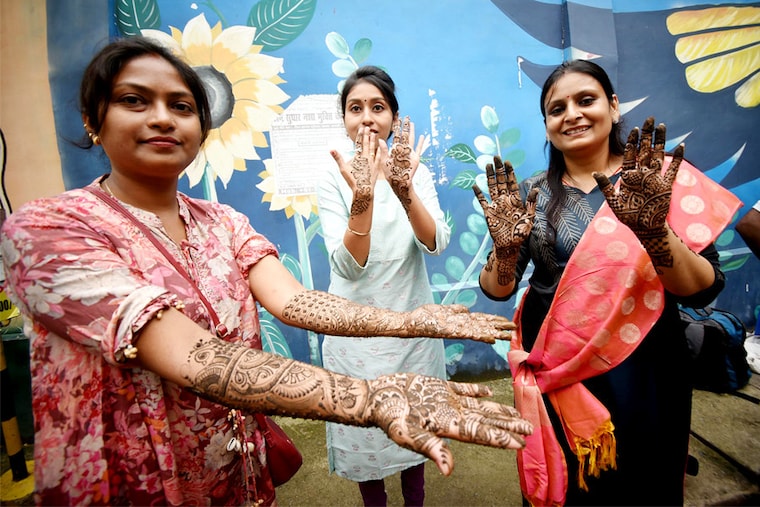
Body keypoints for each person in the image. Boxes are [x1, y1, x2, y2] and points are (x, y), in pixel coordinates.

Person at [0, 37, 535, 506]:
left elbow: (295, 303)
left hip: (235, 467)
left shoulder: (224, 223)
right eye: (133, 101)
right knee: (369, 455)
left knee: (414, 448)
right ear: (93, 120)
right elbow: (189, 352)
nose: (163, 118)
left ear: (201, 128)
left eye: (181, 105)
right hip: (134, 480)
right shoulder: (49, 230)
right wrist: (370, 397)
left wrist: (415, 322)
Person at [473, 59, 741, 506]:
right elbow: (499, 289)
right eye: (557, 109)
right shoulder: (532, 194)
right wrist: (504, 251)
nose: (572, 114)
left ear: (613, 107)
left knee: (644, 476)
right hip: (557, 366)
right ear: (546, 126)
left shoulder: (657, 179)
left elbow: (701, 287)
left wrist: (655, 234)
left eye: (586, 100)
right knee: (570, 479)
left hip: (644, 364)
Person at [316, 66, 448, 506]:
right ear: (344, 119)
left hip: (410, 326)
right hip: (355, 334)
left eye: (378, 107)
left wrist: (404, 189)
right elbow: (349, 268)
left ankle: (415, 500)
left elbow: (435, 243)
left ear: (393, 116)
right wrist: (364, 200)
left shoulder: (414, 170)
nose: (367, 117)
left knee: (412, 426)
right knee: (365, 429)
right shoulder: (331, 178)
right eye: (356, 108)